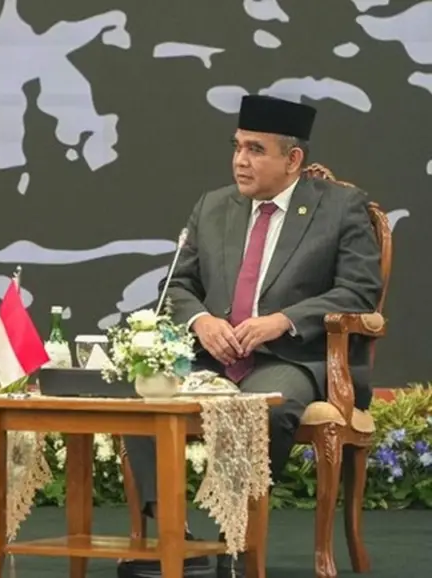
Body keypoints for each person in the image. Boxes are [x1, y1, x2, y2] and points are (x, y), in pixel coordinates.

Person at [119, 95, 382, 578]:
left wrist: (283, 320)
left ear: (293, 159)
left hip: (294, 356)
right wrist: (202, 321)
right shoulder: (213, 206)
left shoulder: (341, 207)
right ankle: (175, 535)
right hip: (214, 354)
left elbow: (360, 291)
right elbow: (176, 284)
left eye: (256, 150)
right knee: (143, 398)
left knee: (261, 408)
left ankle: (237, 540)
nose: (240, 160)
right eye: (237, 147)